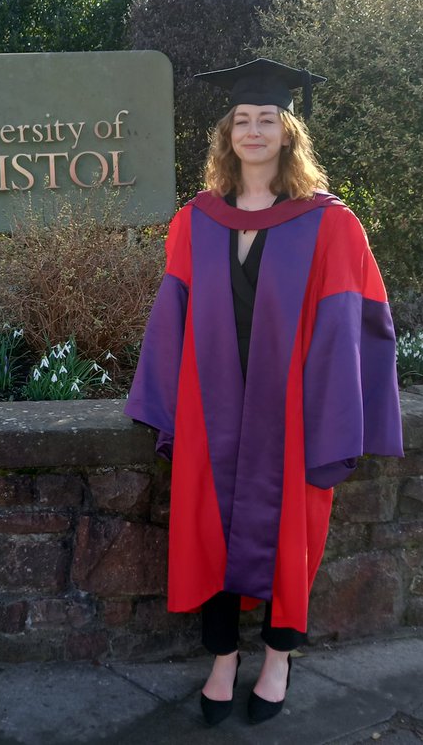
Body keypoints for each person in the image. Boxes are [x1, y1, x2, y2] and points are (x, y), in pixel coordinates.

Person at [125, 58, 404, 726]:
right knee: (208, 532)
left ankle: (278, 657)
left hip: (293, 412)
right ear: (226, 136)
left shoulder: (331, 223)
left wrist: (340, 410)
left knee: (292, 536)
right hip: (212, 410)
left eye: (266, 119)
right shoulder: (196, 220)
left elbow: (355, 321)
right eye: (241, 121)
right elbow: (173, 316)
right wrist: (167, 404)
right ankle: (222, 658)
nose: (253, 130)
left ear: (288, 132)